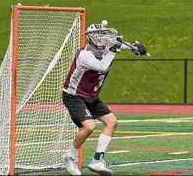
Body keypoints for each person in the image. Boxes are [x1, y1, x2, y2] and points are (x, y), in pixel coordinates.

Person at [62, 20, 147, 176]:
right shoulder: (84, 55)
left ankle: (97, 161)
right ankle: (69, 156)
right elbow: (102, 66)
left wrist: (135, 47)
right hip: (74, 95)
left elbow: (120, 45)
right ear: (91, 39)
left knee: (112, 122)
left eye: (103, 36)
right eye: (98, 37)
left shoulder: (107, 47)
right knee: (88, 126)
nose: (102, 40)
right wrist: (114, 50)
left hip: (91, 96)